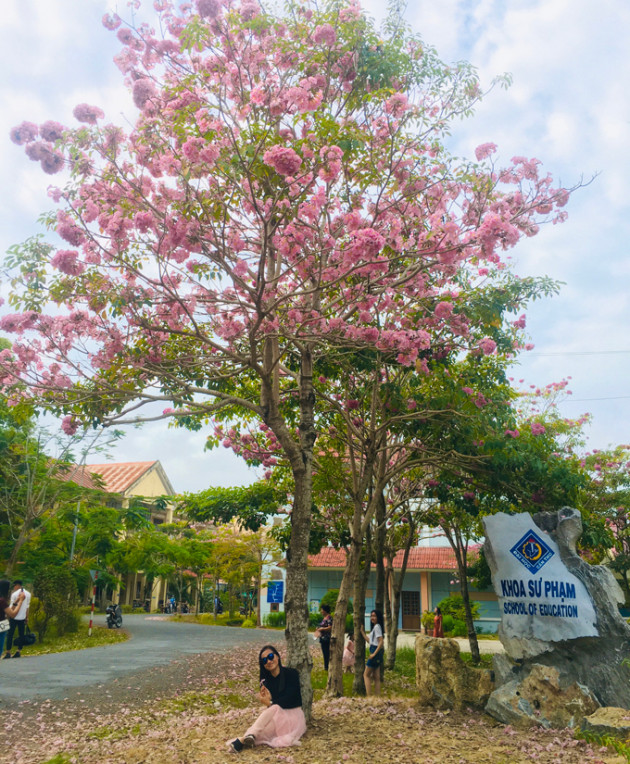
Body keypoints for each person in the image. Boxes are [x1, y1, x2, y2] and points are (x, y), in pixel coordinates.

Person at [228, 645, 306, 753]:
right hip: (277, 716)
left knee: (274, 708)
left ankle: (244, 738)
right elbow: (272, 705)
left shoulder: (292, 673)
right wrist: (269, 702)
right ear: (263, 665)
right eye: (264, 660)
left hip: (293, 716)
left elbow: (292, 698)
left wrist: (270, 702)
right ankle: (246, 738)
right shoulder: (266, 682)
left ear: (277, 657)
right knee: (262, 733)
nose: (269, 661)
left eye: (270, 656)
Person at [3, 580, 31, 659]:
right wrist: (27, 617)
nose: (14, 587)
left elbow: (12, 606)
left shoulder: (14, 594)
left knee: (10, 634)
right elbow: (27, 607)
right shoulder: (28, 594)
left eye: (14, 586)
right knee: (21, 634)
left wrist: (8, 615)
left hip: (13, 617)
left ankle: (8, 652)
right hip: (22, 617)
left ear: (17, 585)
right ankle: (18, 651)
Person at [360, 609, 384, 696]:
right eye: (371, 616)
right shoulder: (376, 627)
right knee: (376, 677)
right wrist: (363, 633)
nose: (372, 618)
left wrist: (374, 653)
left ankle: (369, 696)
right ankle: (377, 697)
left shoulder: (377, 627)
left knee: (366, 675)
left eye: (374, 616)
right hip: (377, 652)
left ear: (378, 617)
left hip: (375, 651)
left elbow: (381, 641)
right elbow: (371, 641)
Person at [315, 604, 333, 671]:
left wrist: (322, 629)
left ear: (325, 610)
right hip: (322, 638)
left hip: (327, 638)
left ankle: (327, 667)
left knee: (327, 653)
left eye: (322, 610)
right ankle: (326, 666)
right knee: (324, 653)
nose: (321, 611)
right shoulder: (324, 618)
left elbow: (330, 627)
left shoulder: (329, 618)